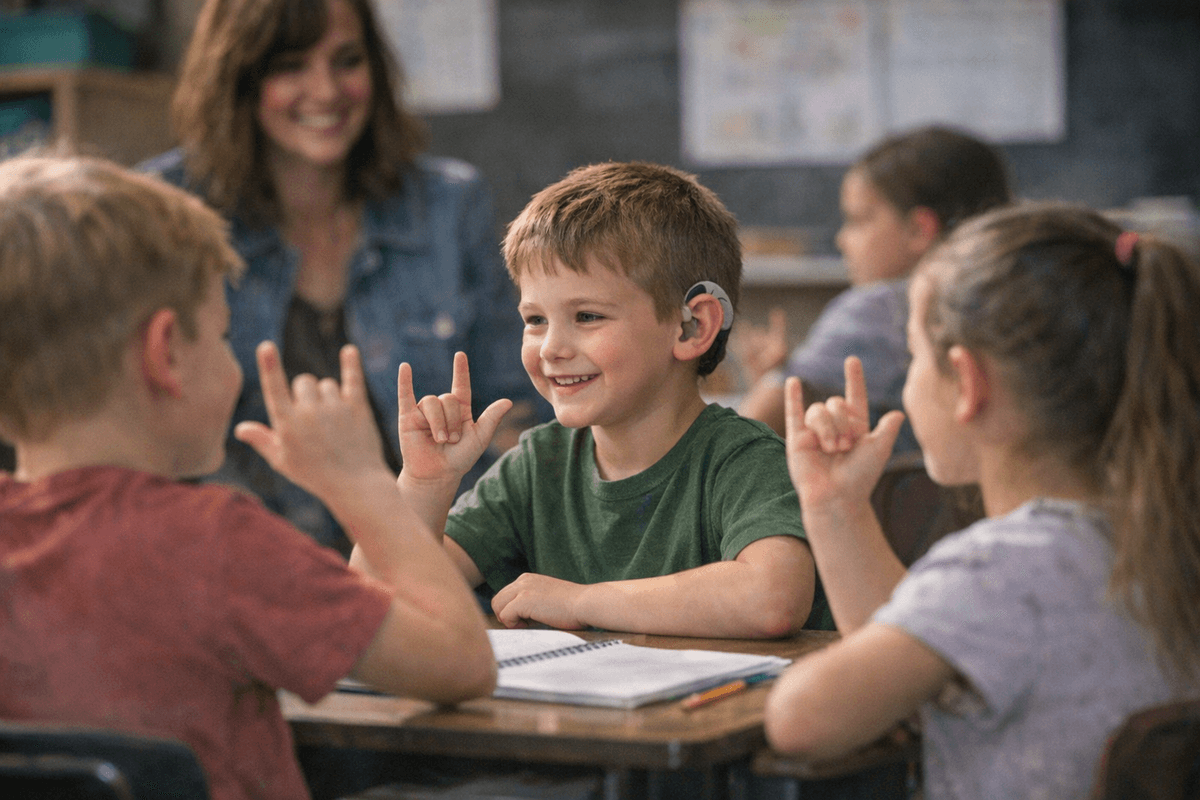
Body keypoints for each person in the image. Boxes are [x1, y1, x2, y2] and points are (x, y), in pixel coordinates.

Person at [0, 153, 496, 800]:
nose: (232, 363)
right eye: (224, 336)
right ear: (167, 353)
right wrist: (363, 482)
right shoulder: (213, 543)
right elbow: (461, 661)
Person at [763, 201, 1200, 799]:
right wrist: (837, 508)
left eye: (915, 357)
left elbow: (801, 720)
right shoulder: (1157, 531)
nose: (910, 379)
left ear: (968, 384)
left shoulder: (1004, 568)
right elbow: (915, 668)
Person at [140, 0, 537, 556]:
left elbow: (517, 416)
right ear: (237, 75)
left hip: (439, 562)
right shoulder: (164, 211)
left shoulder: (449, 205)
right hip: (249, 573)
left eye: (347, 60)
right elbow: (150, 440)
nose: (326, 91)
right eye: (290, 66)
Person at [380, 161, 830, 637]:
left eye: (588, 316)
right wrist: (423, 488)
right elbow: (380, 601)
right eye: (535, 320)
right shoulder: (539, 464)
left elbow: (771, 599)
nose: (551, 347)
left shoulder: (743, 460)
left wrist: (581, 601)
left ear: (692, 326)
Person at [736, 125, 1011, 452]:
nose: (842, 240)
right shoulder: (1012, 297)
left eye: (859, 219)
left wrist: (773, 383)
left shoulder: (879, 308)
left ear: (919, 229)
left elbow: (743, 440)